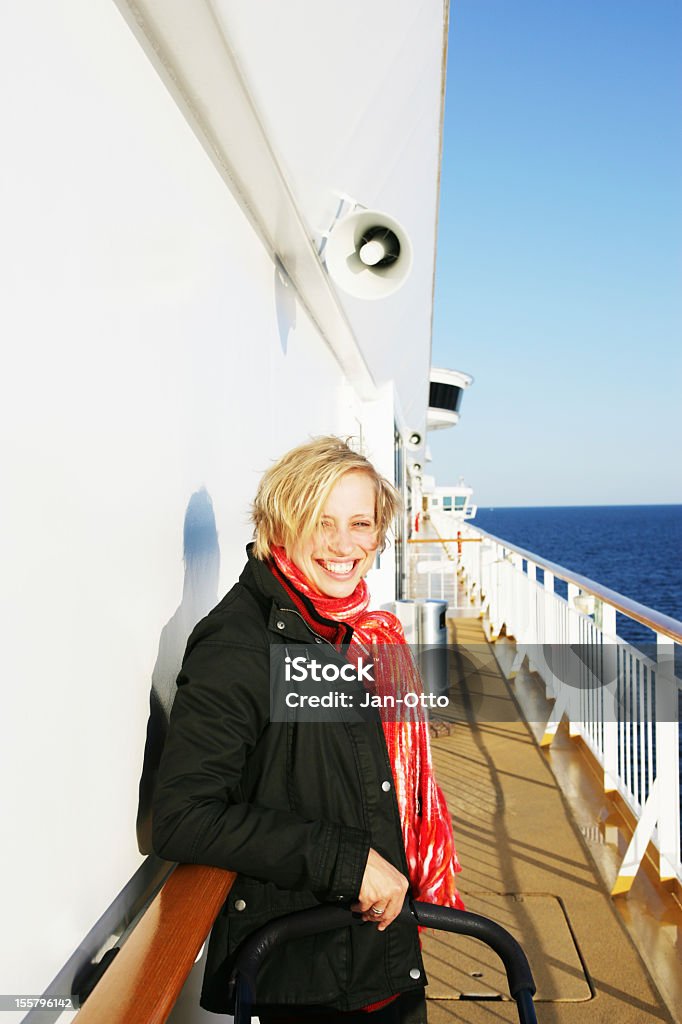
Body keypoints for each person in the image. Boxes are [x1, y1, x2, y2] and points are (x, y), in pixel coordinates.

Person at [152, 437, 463, 1023]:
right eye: (321, 523)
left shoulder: (358, 631)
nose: (344, 545)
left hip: (382, 956)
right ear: (279, 525)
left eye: (360, 523)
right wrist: (345, 862)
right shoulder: (241, 644)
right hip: (305, 977)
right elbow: (183, 816)